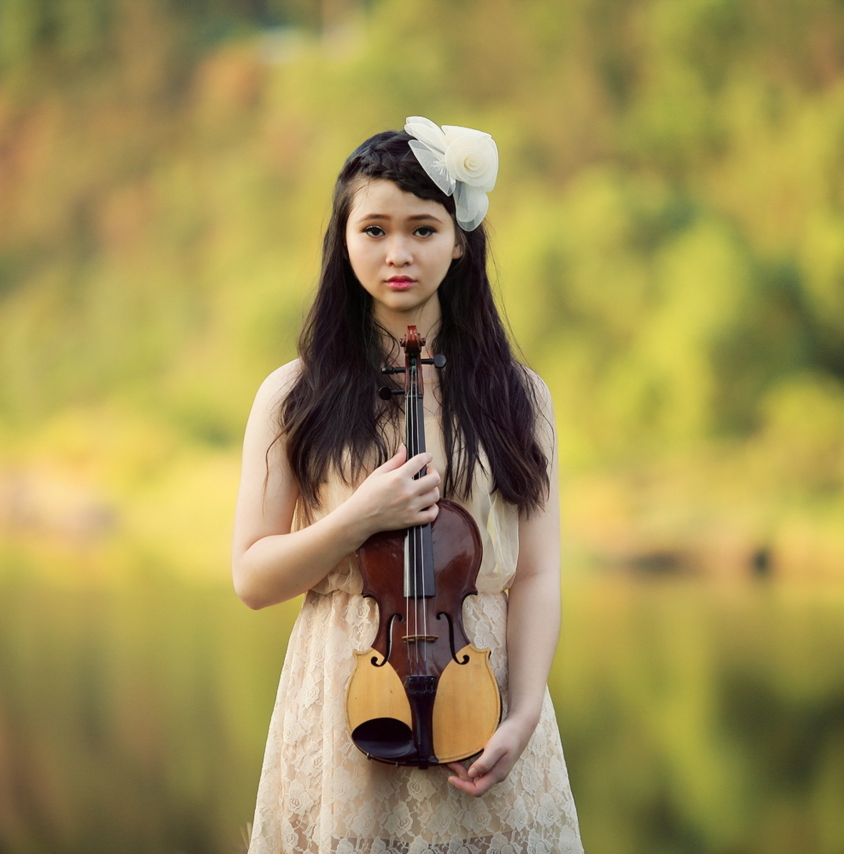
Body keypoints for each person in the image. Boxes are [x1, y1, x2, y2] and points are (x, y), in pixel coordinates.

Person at [232, 116, 584, 854]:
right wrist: (357, 519)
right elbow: (254, 579)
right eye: (375, 230)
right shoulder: (294, 394)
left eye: (424, 230)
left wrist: (520, 718)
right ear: (344, 238)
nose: (399, 253)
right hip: (346, 699)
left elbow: (538, 573)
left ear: (461, 241)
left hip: (479, 699)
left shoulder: (519, 395)